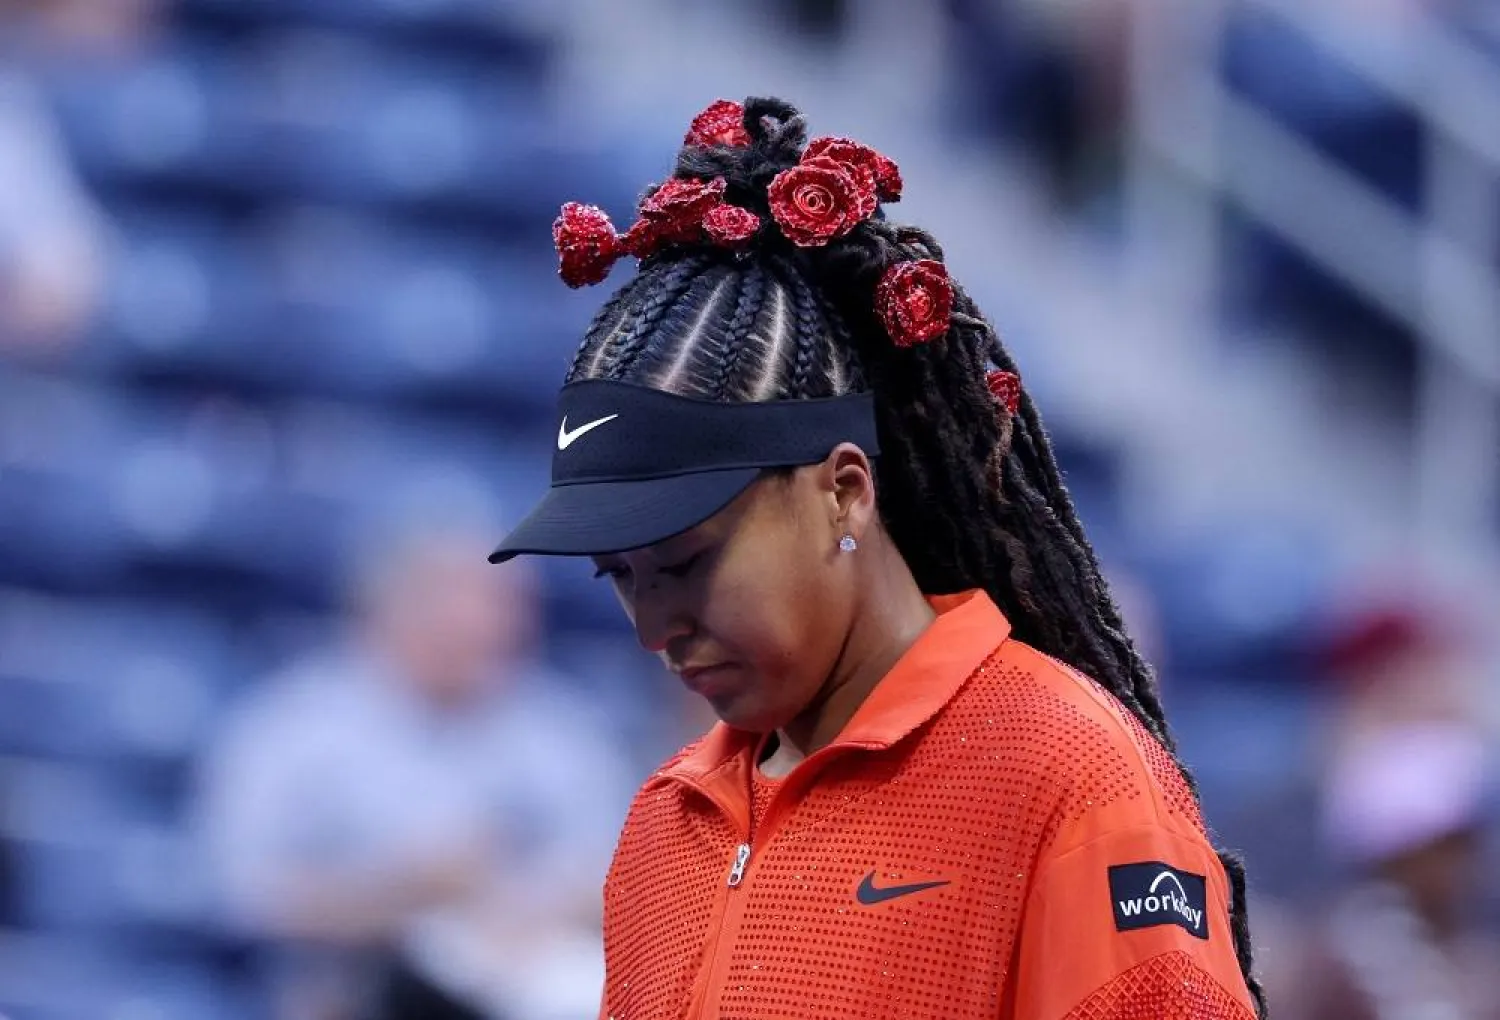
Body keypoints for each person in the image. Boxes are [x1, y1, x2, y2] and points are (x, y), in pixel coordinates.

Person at [489, 96, 1263, 1018]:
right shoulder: (665, 823)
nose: (658, 629)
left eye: (688, 561)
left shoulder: (1064, 768)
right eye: (621, 576)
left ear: (844, 490)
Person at [197, 515, 632, 1020]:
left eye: (499, 604)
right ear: (390, 606)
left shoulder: (563, 731)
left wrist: (531, 908)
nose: (481, 622)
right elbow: (239, 897)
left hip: (527, 979)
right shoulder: (290, 728)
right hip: (344, 986)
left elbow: (625, 875)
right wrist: (397, 893)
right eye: (454, 599)